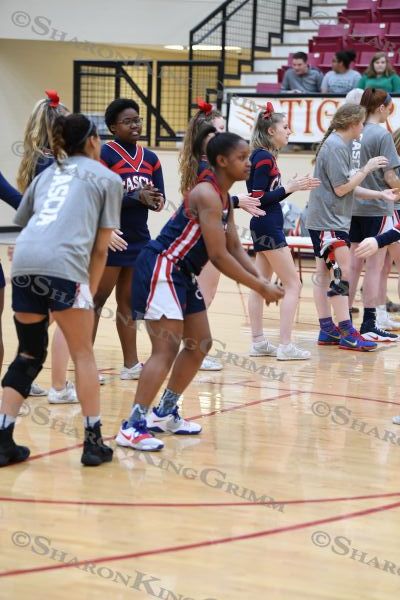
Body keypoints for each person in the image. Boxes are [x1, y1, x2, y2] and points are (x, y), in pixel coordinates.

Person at [115, 128, 284, 451]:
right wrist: (260, 287)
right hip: (162, 267)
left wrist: (262, 281)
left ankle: (164, 413)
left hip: (182, 273)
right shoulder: (205, 193)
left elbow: (234, 247)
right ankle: (132, 426)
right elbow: (218, 256)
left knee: (200, 344)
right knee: (165, 350)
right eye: (242, 157)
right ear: (221, 161)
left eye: (248, 157)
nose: (249, 163)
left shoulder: (225, 197)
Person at [0, 113, 123, 467]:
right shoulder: (107, 178)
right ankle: (93, 443)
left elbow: (27, 222)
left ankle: (3, 438)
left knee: (28, 353)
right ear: (92, 141)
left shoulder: (46, 174)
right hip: (64, 265)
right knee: (83, 353)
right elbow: (100, 250)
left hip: (25, 262)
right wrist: (89, 290)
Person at [179, 99, 265, 371]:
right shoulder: (204, 167)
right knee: (202, 295)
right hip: (201, 239)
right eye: (217, 130)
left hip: (208, 234)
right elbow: (208, 200)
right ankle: (192, 348)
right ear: (204, 135)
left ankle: (192, 347)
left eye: (224, 129)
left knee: (205, 294)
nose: (222, 135)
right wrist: (238, 200)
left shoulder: (205, 163)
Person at [306, 103, 398, 351]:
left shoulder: (340, 145)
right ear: (352, 124)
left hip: (327, 220)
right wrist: (367, 169)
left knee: (325, 274)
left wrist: (380, 195)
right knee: (343, 275)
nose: (363, 129)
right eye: (361, 124)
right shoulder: (336, 146)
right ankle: (347, 332)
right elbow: (341, 189)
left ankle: (327, 329)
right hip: (328, 222)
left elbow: (350, 187)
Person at [93, 98, 165, 381]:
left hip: (138, 238)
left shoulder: (151, 158)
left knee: (128, 303)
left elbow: (159, 200)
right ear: (113, 127)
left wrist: (155, 200)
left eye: (137, 120)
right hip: (112, 237)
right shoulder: (105, 154)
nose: (135, 125)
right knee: (96, 300)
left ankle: (131, 364)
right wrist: (136, 197)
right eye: (128, 121)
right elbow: (99, 197)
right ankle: (86, 363)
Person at [247, 103, 320, 360]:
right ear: (271, 131)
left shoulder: (264, 155)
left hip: (265, 225)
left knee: (261, 285)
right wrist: (290, 188)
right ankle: (286, 345)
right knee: (293, 284)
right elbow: (257, 198)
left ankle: (258, 342)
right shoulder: (263, 158)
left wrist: (291, 187)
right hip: (267, 226)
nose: (290, 131)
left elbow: (267, 196)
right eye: (285, 127)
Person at [348, 88, 400, 342]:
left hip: (351, 206)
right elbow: (390, 176)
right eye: (389, 107)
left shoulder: (352, 131)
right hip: (377, 207)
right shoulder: (382, 135)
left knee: (352, 267)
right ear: (381, 108)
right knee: (374, 268)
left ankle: (343, 321)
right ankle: (369, 323)